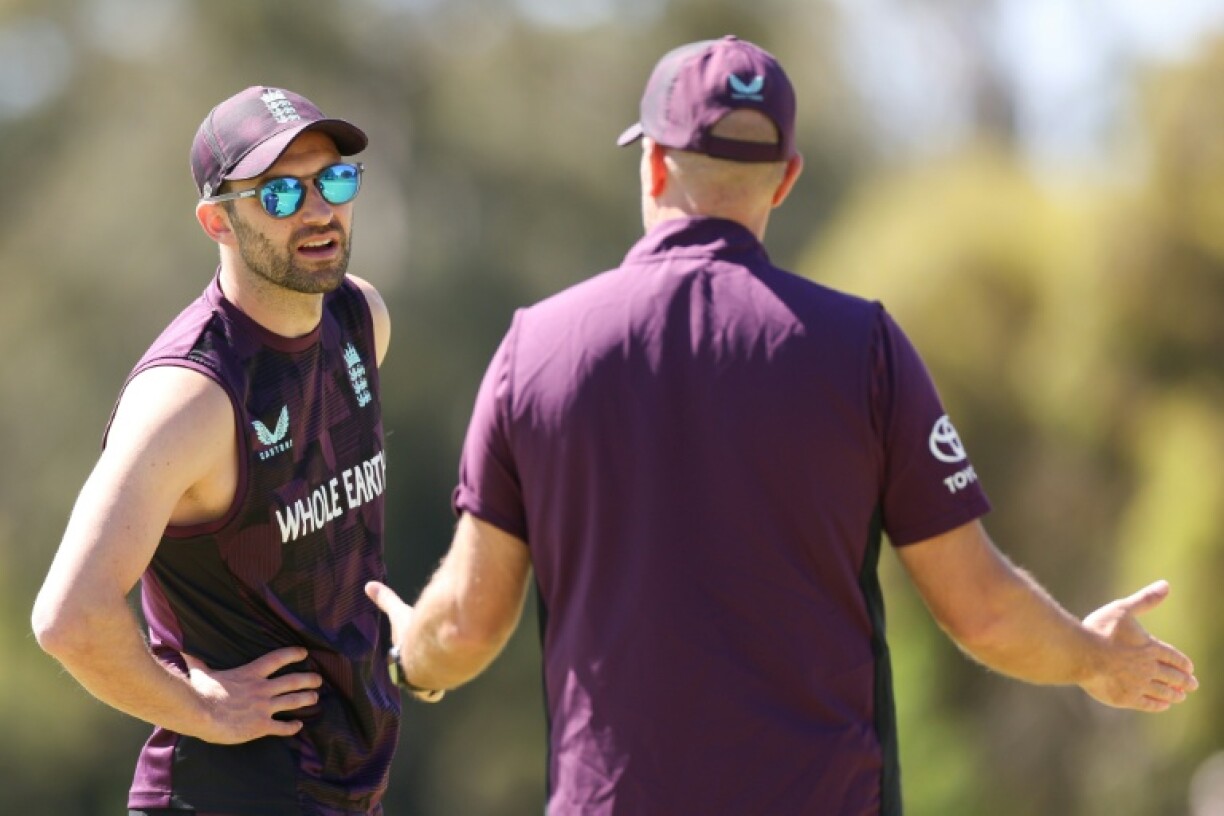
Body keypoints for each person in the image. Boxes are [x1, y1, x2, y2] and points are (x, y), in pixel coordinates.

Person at [364, 36, 1198, 815]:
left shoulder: (535, 352)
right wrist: (1094, 657)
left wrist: (405, 653)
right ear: (786, 179)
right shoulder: (864, 349)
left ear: (653, 165)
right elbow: (979, 610)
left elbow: (466, 627)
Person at [32, 86, 399, 816]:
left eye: (334, 180)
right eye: (281, 193)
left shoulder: (361, 319)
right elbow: (68, 617)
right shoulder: (190, 397)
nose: (319, 210)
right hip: (232, 793)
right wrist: (204, 711)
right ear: (217, 222)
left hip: (345, 785)